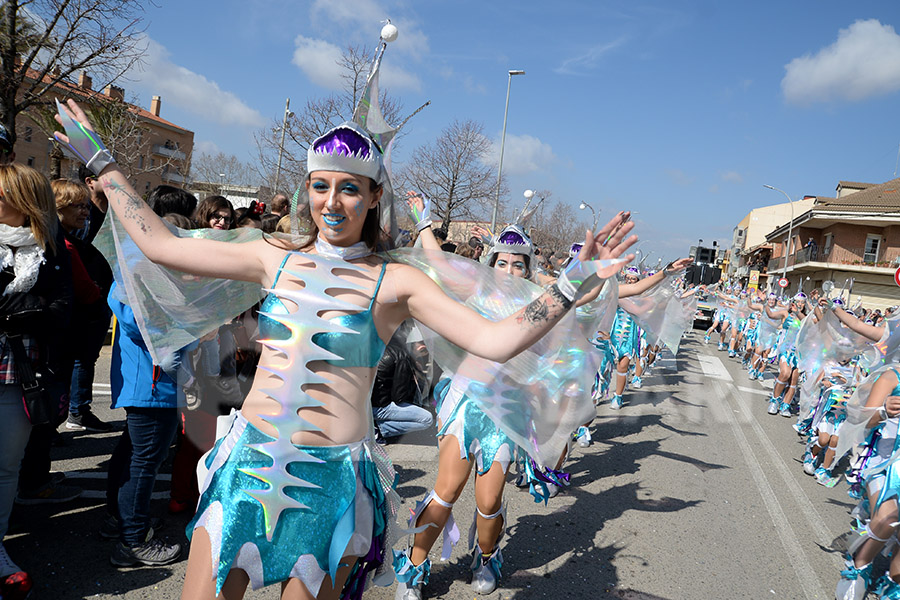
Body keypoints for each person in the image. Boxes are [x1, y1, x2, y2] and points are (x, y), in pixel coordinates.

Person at [54, 96, 636, 600]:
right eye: (321, 185)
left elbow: (493, 338)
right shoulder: (271, 254)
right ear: (307, 189)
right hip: (250, 463)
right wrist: (105, 167)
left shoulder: (397, 281)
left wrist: (567, 287)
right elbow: (160, 244)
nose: (332, 201)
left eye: (350, 189)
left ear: (373, 197)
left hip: (330, 480)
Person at [103, 185, 199, 566]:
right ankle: (133, 539)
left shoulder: (131, 279)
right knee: (144, 464)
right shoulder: (143, 286)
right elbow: (161, 339)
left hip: (146, 385)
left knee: (132, 457)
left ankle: (122, 521)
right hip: (153, 387)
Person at [0, 163, 73, 597]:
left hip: (21, 372)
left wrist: (21, 314)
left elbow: (61, 313)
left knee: (7, 468)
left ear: (23, 199)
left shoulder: (52, 250)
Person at [371, 322, 434, 443]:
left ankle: (374, 425)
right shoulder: (402, 357)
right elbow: (399, 397)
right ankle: (380, 429)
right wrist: (410, 378)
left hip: (367, 405)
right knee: (427, 419)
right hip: (379, 407)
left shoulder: (386, 347)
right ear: (418, 347)